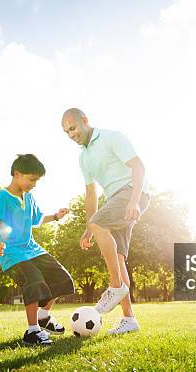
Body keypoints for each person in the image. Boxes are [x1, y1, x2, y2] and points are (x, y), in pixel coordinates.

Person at [61, 108, 150, 334]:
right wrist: (89, 228)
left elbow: (138, 167)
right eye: (66, 132)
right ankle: (129, 320)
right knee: (118, 258)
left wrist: (134, 200)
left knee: (101, 228)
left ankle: (115, 286)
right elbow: (91, 194)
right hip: (114, 201)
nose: (71, 134)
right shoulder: (84, 157)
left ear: (85, 121)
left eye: (73, 128)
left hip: (131, 193)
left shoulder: (111, 137)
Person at [0, 154, 75, 346]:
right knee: (34, 281)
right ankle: (32, 331)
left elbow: (36, 219)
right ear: (17, 174)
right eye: (32, 179)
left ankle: (43, 316)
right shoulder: (2, 197)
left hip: (32, 249)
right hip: (12, 254)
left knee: (62, 278)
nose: (34, 184)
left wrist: (56, 216)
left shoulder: (29, 196)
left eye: (37, 180)